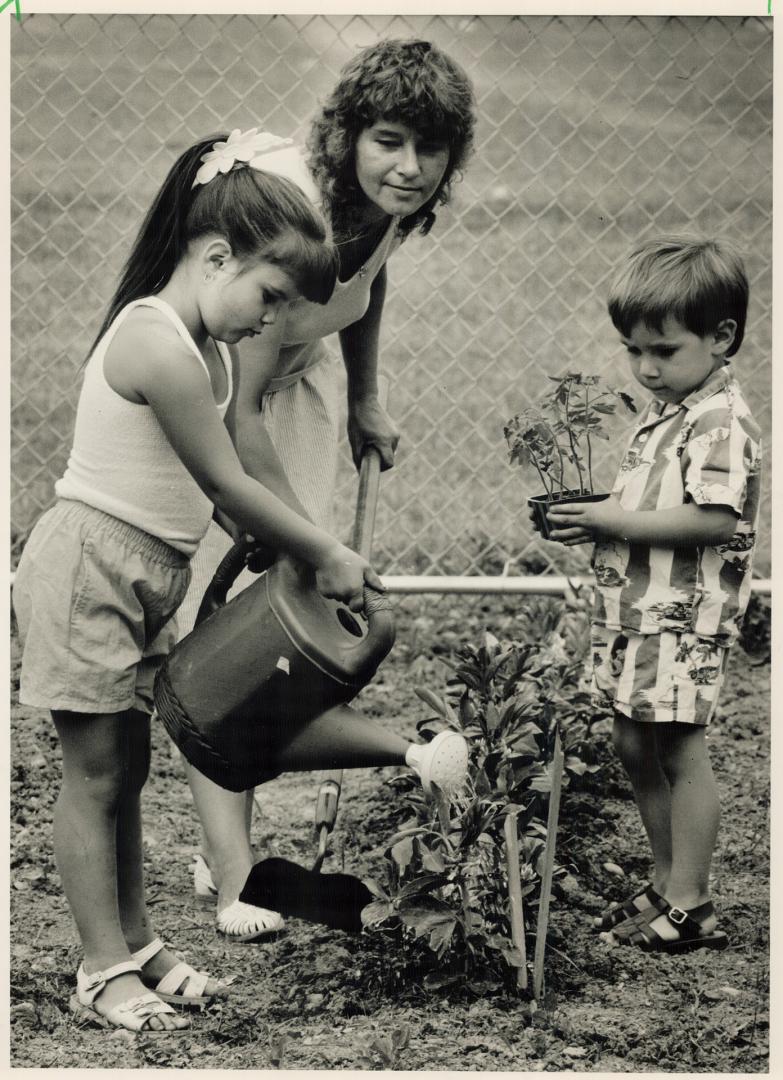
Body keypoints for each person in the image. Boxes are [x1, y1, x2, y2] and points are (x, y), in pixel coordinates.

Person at [11, 128, 416, 1034]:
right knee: (93, 774)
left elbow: (226, 493)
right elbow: (224, 479)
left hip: (144, 576)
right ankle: (100, 966)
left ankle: (141, 944)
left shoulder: (215, 352)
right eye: (269, 296)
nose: (270, 322)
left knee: (133, 763)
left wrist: (265, 547)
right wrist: (320, 550)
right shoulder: (155, 343)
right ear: (215, 254)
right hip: (88, 572)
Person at [176, 39, 477, 943]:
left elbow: (367, 278)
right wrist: (309, 542)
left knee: (286, 630)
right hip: (217, 401)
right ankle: (235, 874)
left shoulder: (388, 208)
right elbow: (233, 416)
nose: (411, 167)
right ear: (347, 135)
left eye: (431, 150)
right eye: (389, 141)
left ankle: (229, 840)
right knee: (230, 633)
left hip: (289, 390)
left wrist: (367, 399)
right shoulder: (298, 217)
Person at [545, 236, 761, 953]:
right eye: (632, 350)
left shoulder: (719, 419)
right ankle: (666, 881)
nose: (644, 368)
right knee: (632, 741)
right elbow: (650, 499)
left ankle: (691, 903)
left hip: (683, 616)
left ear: (720, 337)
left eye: (662, 351)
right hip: (637, 611)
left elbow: (713, 516)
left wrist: (616, 518)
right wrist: (592, 514)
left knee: (676, 748)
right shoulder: (669, 407)